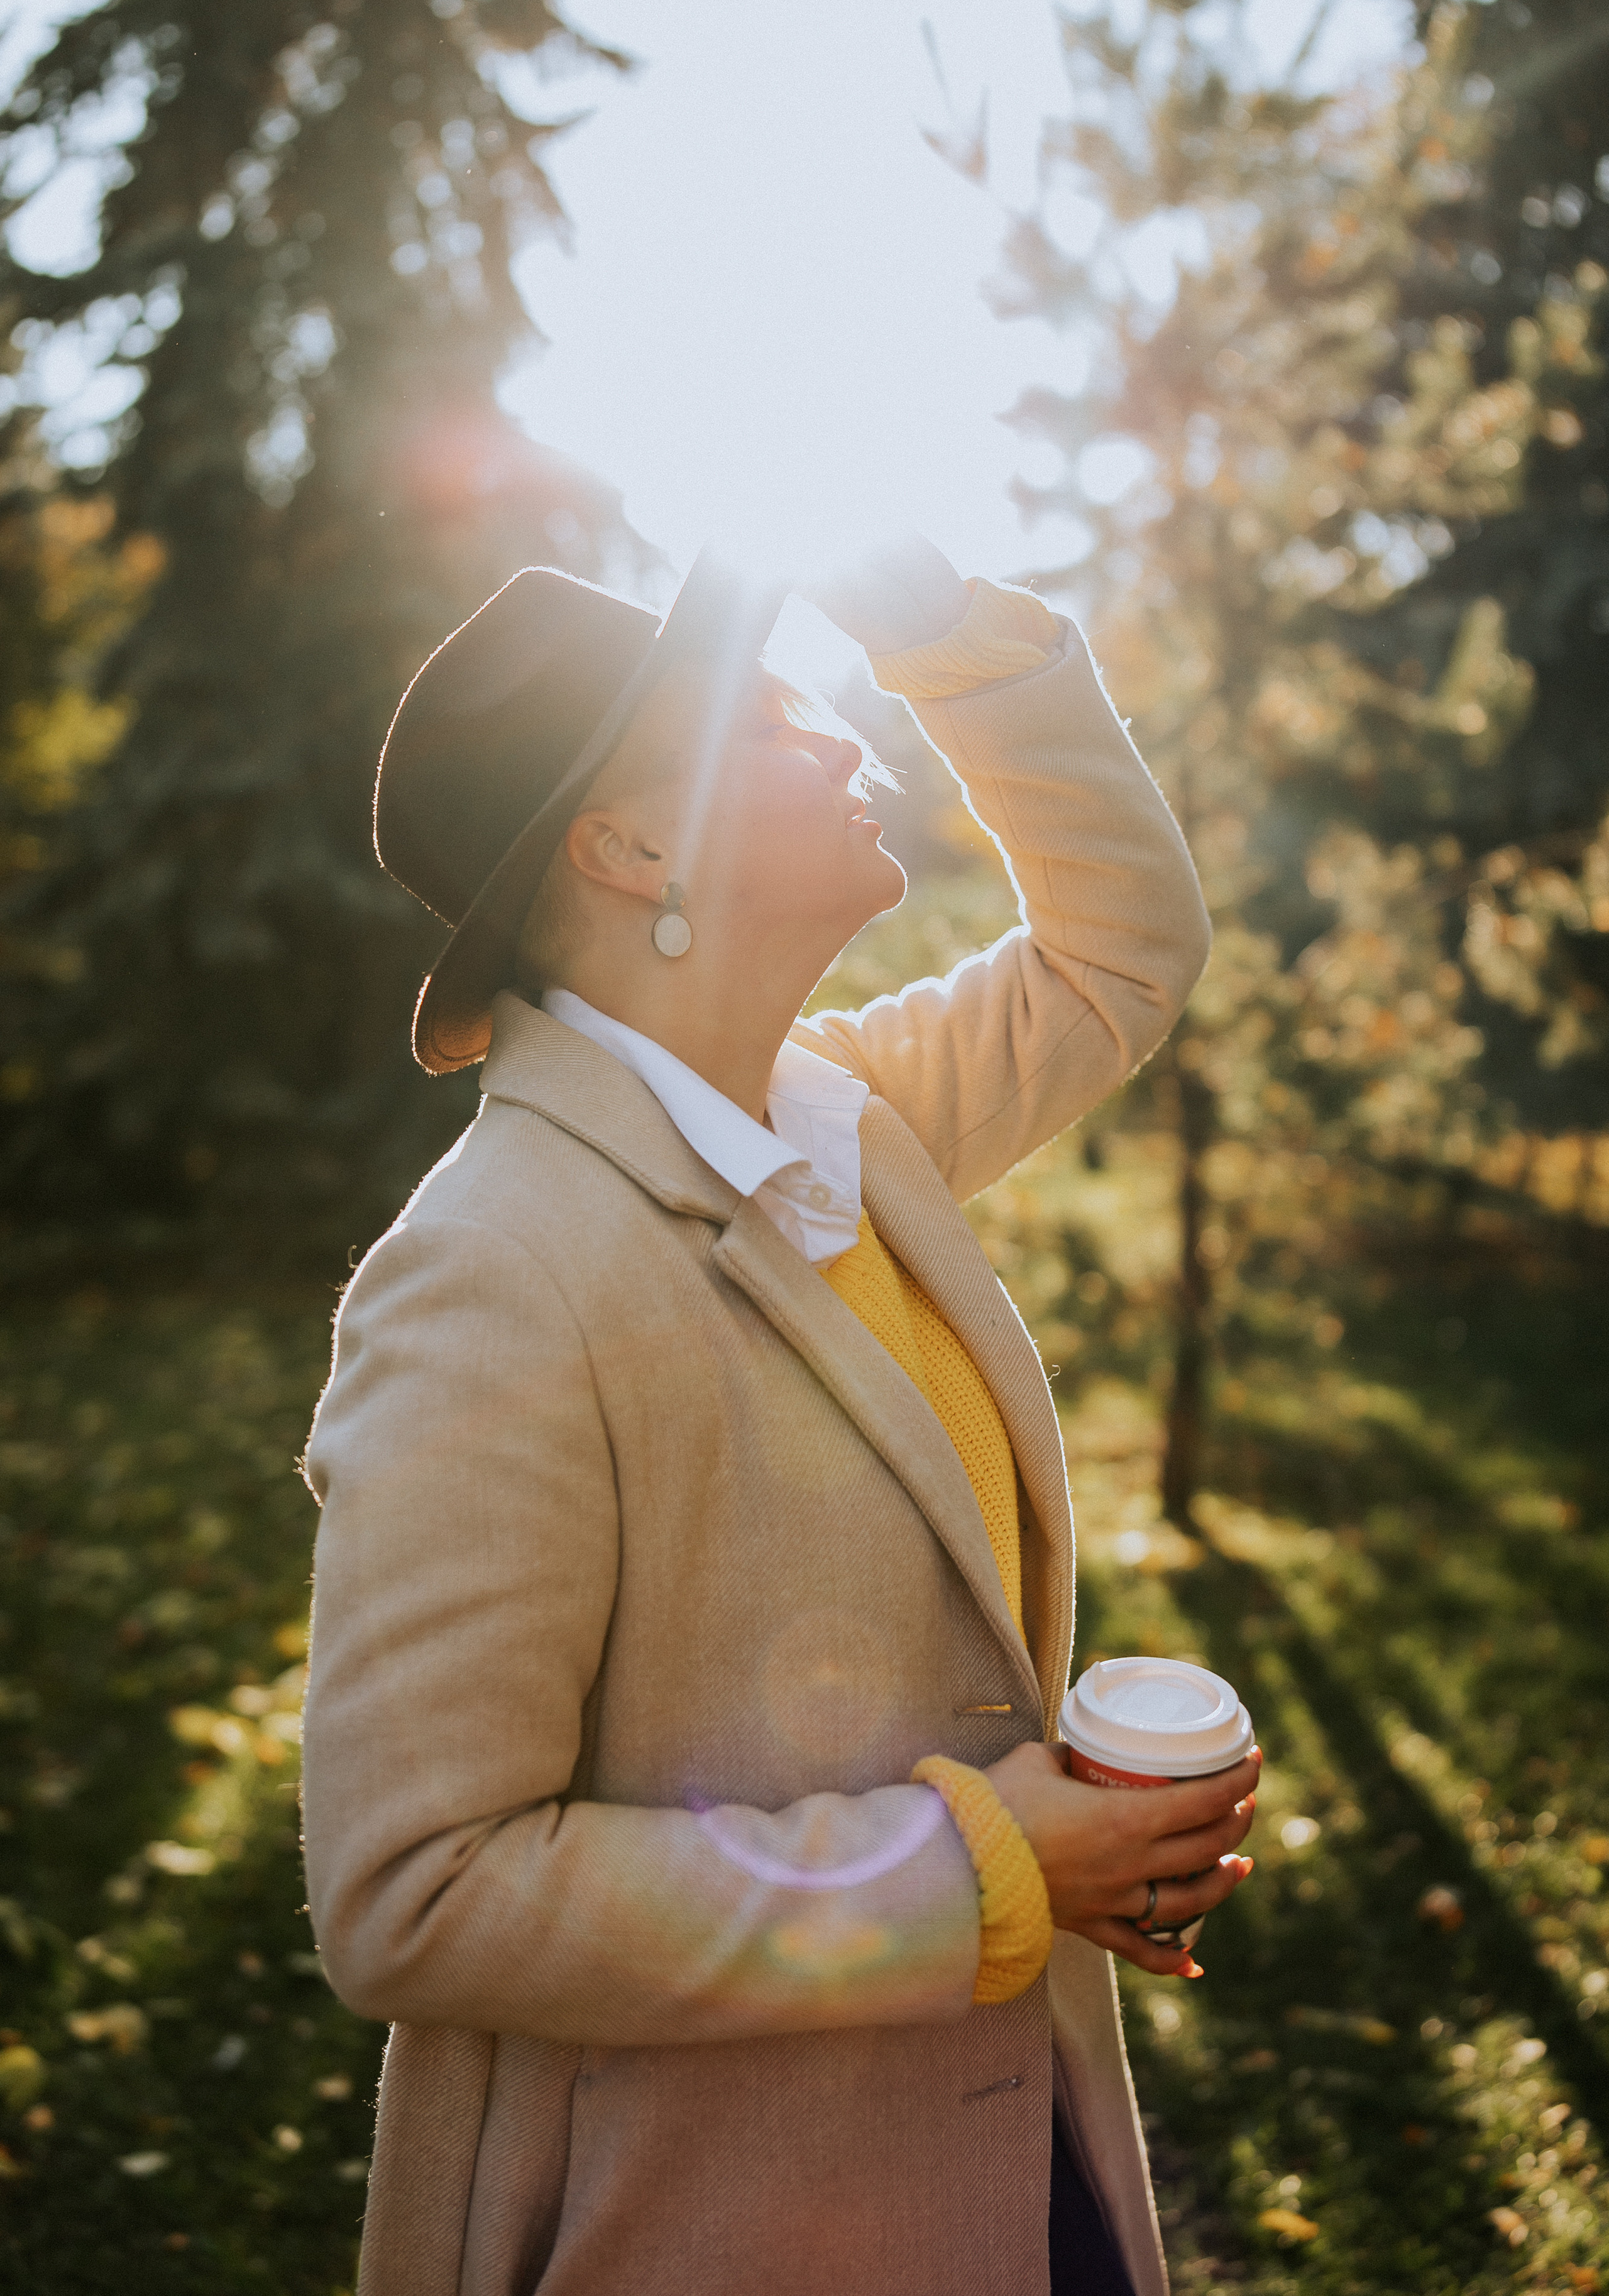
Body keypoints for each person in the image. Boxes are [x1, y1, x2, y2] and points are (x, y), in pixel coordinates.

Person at [299, 536, 1260, 2296]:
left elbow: (1126, 946)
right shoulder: (495, 1275)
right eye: (763, 720)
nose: (839, 732)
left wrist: (941, 629)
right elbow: (417, 1891)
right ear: (631, 849)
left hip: (998, 2159)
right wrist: (986, 1864)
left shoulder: (847, 1125)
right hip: (709, 2216)